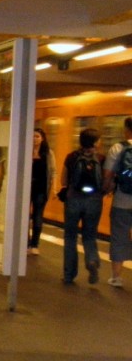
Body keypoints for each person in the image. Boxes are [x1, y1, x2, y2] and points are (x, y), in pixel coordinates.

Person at [60, 128, 104, 285]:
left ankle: (69, 275)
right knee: (90, 235)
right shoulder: (101, 158)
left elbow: (63, 180)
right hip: (94, 201)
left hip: (73, 200)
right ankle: (91, 260)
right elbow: (105, 183)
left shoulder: (71, 157)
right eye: (99, 139)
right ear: (94, 142)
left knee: (70, 237)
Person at [102, 116, 132, 288]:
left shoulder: (118, 148)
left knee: (119, 237)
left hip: (122, 200)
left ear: (126, 129)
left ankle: (116, 277)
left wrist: (106, 190)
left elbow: (107, 175)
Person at [28, 127, 56, 255]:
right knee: (24, 218)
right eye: (33, 136)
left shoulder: (48, 153)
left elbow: (53, 172)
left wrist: (54, 188)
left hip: (41, 189)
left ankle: (35, 244)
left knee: (37, 216)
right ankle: (26, 242)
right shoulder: (25, 151)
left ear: (42, 138)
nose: (34, 139)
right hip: (26, 190)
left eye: (37, 136)